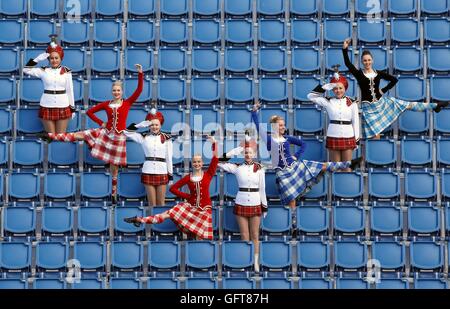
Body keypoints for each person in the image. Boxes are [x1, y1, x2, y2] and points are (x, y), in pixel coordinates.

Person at [39, 64, 144, 202]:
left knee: (114, 168)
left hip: (118, 137)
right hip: (106, 133)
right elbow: (89, 112)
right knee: (81, 134)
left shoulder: (127, 103)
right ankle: (50, 135)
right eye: (114, 90)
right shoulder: (106, 104)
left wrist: (140, 74)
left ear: (122, 92)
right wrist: (101, 123)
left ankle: (113, 194)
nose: (116, 92)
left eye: (118, 90)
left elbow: (139, 90)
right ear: (112, 92)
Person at [252, 102, 362, 211]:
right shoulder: (268, 139)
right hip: (282, 173)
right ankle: (293, 223)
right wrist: (254, 111)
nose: (283, 127)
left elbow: (303, 144)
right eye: (280, 125)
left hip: (294, 167)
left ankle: (350, 163)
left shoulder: (287, 138)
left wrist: (296, 155)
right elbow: (257, 126)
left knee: (322, 166)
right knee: (291, 199)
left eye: (283, 124)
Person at [342, 38, 448, 139]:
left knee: (408, 105)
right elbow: (348, 64)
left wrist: (383, 90)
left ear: (372, 60)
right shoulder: (359, 74)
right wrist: (345, 49)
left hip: (381, 104)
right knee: (375, 134)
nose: (367, 62)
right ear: (362, 62)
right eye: (365, 60)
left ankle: (435, 105)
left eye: (369, 60)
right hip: (368, 109)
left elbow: (394, 80)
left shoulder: (378, 73)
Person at [124, 136, 218, 240]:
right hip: (191, 208)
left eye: (199, 162)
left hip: (204, 210)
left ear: (202, 163)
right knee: (166, 215)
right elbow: (173, 189)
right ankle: (139, 220)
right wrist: (188, 196)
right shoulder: (188, 177)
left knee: (199, 237)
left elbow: (215, 159)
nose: (197, 164)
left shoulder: (208, 175)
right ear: (192, 163)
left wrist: (214, 143)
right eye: (195, 162)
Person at [218, 135, 267, 272]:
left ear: (254, 154)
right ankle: (247, 261)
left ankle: (256, 262)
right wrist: (237, 150)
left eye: (250, 152)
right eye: (245, 152)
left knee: (255, 235)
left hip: (256, 201)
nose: (247, 154)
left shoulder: (260, 168)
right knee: (244, 235)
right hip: (241, 202)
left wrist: (265, 206)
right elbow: (218, 161)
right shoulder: (237, 167)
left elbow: (262, 189)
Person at [307, 67, 360, 172]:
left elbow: (356, 121)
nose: (338, 90)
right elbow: (310, 96)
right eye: (335, 88)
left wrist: (357, 139)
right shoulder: (328, 101)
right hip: (333, 134)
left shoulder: (352, 102)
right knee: (335, 168)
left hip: (348, 135)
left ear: (345, 88)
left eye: (340, 88)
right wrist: (326, 86)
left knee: (346, 169)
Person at [23, 35, 75, 134]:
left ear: (61, 58)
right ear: (48, 59)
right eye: (51, 58)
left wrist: (72, 108)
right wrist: (37, 59)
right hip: (46, 104)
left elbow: (70, 90)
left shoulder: (67, 71)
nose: (54, 60)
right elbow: (26, 69)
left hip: (63, 105)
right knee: (50, 136)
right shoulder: (43, 70)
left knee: (61, 136)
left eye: (56, 58)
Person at [124, 108, 173, 207]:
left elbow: (169, 158)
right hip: (148, 170)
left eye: (156, 124)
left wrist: (170, 175)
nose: (154, 127)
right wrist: (139, 125)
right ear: (148, 125)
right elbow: (126, 132)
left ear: (160, 125)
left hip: (162, 171)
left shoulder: (167, 138)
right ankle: (152, 222)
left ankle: (160, 222)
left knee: (161, 203)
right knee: (152, 203)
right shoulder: (144, 136)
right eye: (152, 124)